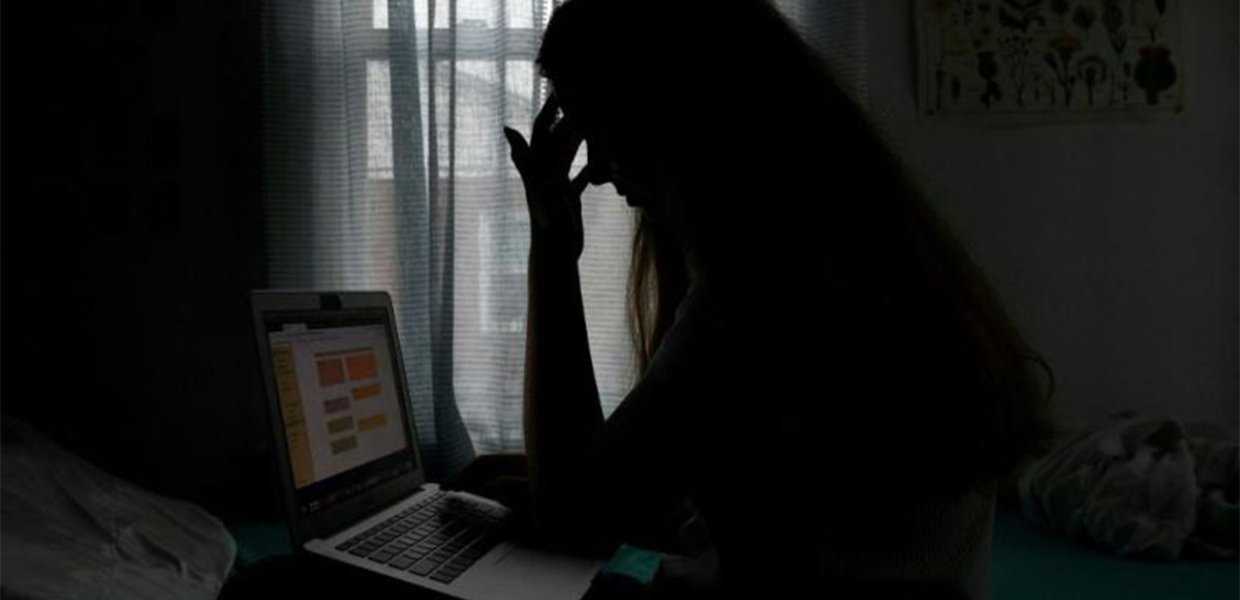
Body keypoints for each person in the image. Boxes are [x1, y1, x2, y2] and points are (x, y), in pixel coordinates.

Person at [446, 0, 1055, 598]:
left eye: (603, 131)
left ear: (673, 117)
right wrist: (555, 477)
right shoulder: (856, 254)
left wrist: (552, 253)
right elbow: (748, 494)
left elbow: (578, 520)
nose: (600, 170)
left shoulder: (755, 300)